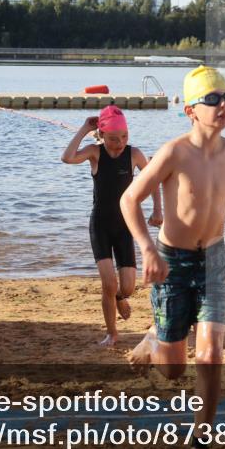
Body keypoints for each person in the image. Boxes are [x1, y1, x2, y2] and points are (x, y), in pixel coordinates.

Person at [122, 65, 225, 449]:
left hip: (213, 259)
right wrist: (146, 249)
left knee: (213, 353)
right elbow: (130, 200)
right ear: (189, 109)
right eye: (213, 100)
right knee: (173, 371)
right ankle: (153, 339)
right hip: (172, 262)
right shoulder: (173, 152)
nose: (224, 107)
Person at [61, 105, 162, 347]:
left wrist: (158, 209)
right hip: (101, 225)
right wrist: (85, 129)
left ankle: (118, 298)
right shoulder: (95, 153)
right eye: (114, 138)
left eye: (124, 137)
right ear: (103, 135)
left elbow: (153, 181)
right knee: (108, 283)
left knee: (126, 288)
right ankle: (112, 334)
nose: (119, 143)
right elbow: (67, 157)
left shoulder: (134, 154)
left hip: (125, 226)